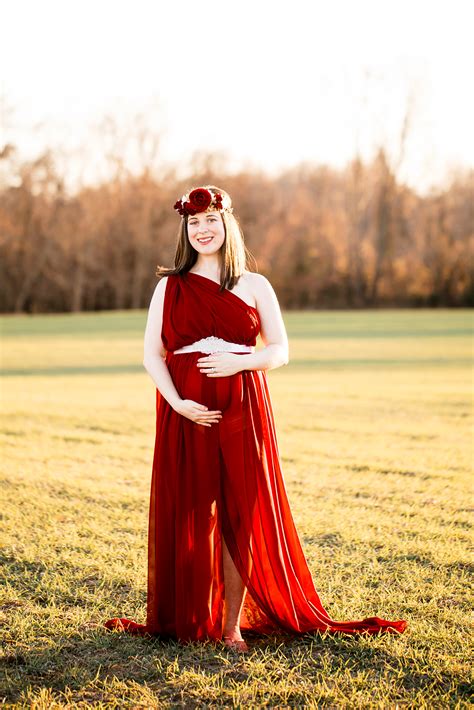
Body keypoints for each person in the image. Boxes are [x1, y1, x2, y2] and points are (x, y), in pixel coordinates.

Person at [105, 185, 407, 652]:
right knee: (189, 510)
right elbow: (151, 354)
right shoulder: (169, 286)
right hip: (186, 410)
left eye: (211, 221)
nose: (203, 230)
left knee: (240, 514)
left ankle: (231, 627)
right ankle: (187, 616)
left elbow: (281, 351)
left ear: (228, 225)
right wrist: (176, 402)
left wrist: (240, 362)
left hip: (243, 406)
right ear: (186, 230)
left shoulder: (254, 284)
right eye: (194, 223)